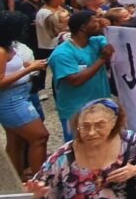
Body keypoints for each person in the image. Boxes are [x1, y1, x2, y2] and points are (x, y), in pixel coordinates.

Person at [0, 12, 49, 176]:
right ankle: (40, 180)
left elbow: (9, 68)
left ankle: (17, 178)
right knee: (40, 137)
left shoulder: (7, 46)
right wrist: (29, 69)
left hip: (16, 96)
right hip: (7, 100)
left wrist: (26, 65)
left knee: (16, 141)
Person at [47, 11, 115, 141]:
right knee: (79, 147)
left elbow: (112, 42)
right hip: (76, 111)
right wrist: (102, 59)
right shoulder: (62, 54)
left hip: (101, 107)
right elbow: (76, 80)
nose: (99, 23)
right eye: (94, 21)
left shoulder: (95, 41)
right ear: (83, 27)